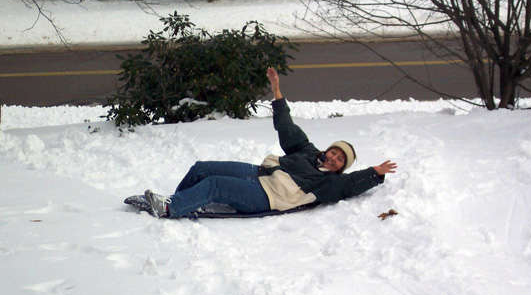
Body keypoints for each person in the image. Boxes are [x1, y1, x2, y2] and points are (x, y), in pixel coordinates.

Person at [137, 67, 397, 218]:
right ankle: (178, 200)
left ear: (341, 168)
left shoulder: (329, 182)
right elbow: (287, 128)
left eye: (340, 160)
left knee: (215, 184)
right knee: (201, 168)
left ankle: (169, 209)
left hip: (267, 196)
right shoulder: (309, 152)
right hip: (259, 173)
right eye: (334, 152)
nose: (334, 158)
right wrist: (277, 92)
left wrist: (375, 173)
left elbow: (350, 184)